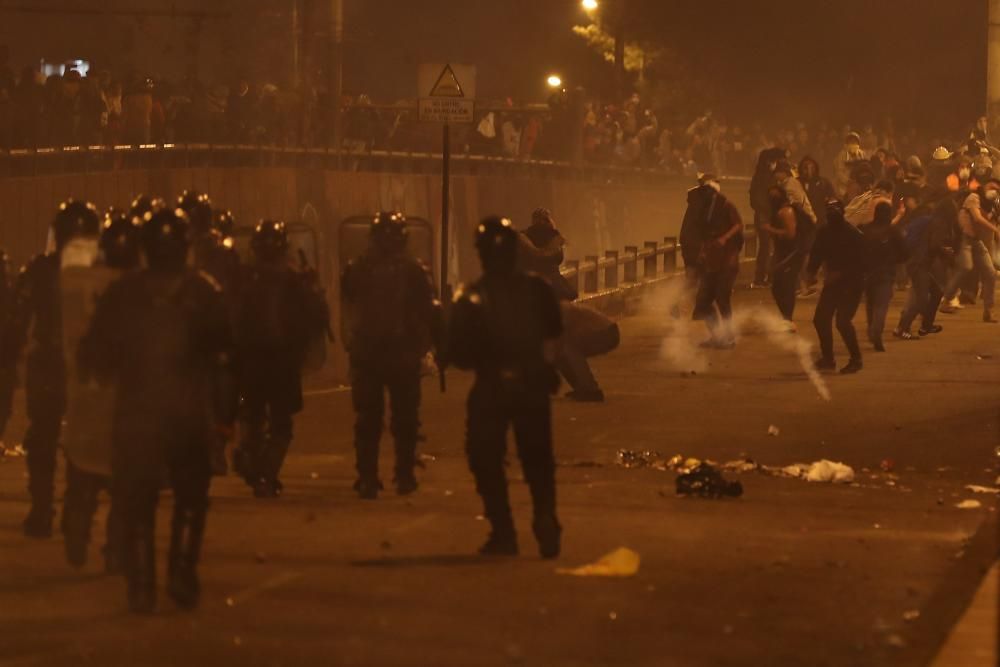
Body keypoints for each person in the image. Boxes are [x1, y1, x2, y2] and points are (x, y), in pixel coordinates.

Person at [78, 205, 236, 613]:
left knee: (138, 499)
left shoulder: (123, 293)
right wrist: (223, 421)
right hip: (186, 410)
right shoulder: (204, 291)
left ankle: (142, 583)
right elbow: (224, 362)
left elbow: (95, 355)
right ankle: (181, 571)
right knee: (190, 499)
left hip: (137, 412)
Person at [448, 216, 562, 558]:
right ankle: (543, 518)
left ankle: (504, 530)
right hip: (529, 383)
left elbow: (461, 355)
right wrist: (544, 371)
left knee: (486, 459)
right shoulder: (537, 289)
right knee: (536, 459)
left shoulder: (471, 296)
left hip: (494, 385)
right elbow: (554, 337)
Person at [0, 200, 101, 538]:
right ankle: (74, 505)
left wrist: (10, 355)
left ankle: (44, 508)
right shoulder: (101, 273)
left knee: (43, 437)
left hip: (50, 364)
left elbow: (16, 321)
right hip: (82, 367)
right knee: (80, 441)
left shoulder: (40, 270)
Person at [60, 209, 140, 572]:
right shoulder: (136, 289)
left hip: (83, 385)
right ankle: (117, 549)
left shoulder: (72, 279)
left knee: (82, 471)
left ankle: (76, 532)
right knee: (124, 482)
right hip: (123, 394)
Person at [340, 212, 441, 499]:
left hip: (368, 353)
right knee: (405, 418)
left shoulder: (358, 267)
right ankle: (404, 474)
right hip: (402, 353)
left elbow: (349, 296)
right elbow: (430, 310)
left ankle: (368, 478)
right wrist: (437, 344)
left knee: (368, 419)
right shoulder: (414, 269)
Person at [232, 220, 323, 498]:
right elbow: (314, 318)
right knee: (281, 424)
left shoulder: (242, 278)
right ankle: (266, 474)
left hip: (249, 365)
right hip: (283, 365)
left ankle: (249, 459)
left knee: (251, 414)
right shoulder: (293, 279)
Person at [517, 208, 603, 401]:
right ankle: (586, 387)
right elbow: (553, 260)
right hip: (554, 293)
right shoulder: (555, 240)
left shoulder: (523, 240)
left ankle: (585, 387)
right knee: (562, 346)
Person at [680, 174, 744, 347]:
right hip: (710, 260)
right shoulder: (701, 211)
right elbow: (698, 233)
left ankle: (729, 337)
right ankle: (717, 335)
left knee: (723, 299)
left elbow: (738, 224)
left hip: (727, 259)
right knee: (702, 301)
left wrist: (724, 238)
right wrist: (701, 251)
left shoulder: (725, 205)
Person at [806, 200, 865, 374]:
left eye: (835, 211)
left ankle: (856, 359)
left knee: (843, 322)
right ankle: (828, 358)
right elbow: (817, 253)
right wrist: (811, 273)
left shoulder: (853, 234)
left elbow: (862, 262)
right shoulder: (824, 232)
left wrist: (841, 273)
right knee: (821, 319)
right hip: (833, 284)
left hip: (852, 284)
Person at [940, 180, 999, 321]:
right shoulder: (974, 198)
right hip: (964, 238)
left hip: (977, 241)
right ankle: (946, 300)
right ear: (985, 186)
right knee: (966, 266)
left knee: (990, 274)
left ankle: (988, 311)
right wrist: (995, 230)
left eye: (997, 190)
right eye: (992, 187)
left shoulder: (992, 205)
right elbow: (977, 218)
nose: (994, 191)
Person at [893, 184, 945, 339]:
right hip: (918, 263)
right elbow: (932, 243)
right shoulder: (930, 218)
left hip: (918, 262)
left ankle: (924, 325)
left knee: (934, 293)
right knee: (921, 298)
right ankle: (904, 328)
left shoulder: (922, 216)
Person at [860, 202, 908, 351]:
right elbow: (904, 252)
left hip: (867, 272)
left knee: (870, 303)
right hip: (886, 272)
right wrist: (897, 261)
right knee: (881, 305)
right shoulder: (893, 231)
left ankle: (871, 329)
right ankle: (876, 331)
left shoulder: (865, 229)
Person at [761, 186, 801, 329]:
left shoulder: (786, 211)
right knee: (778, 286)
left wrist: (770, 229)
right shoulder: (778, 211)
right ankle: (786, 318)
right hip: (781, 253)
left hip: (790, 254)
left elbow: (791, 234)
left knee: (786, 286)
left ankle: (788, 319)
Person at [749, 148, 785, 288]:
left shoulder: (769, 176)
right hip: (765, 217)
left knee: (770, 248)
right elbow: (757, 200)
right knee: (765, 248)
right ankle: (761, 278)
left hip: (770, 216)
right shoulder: (762, 178)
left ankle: (768, 277)